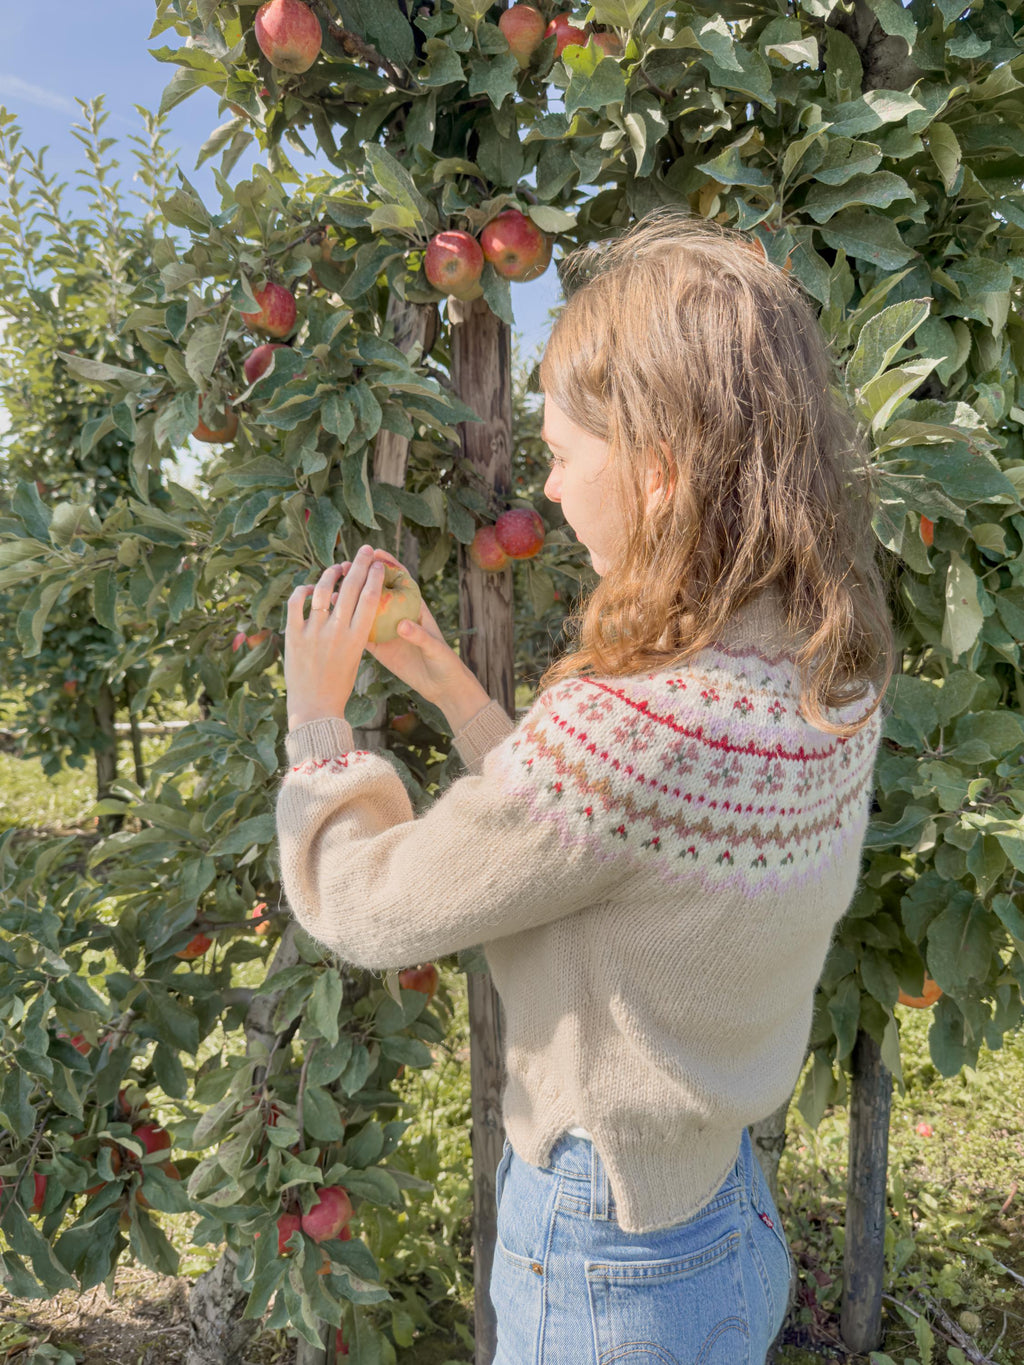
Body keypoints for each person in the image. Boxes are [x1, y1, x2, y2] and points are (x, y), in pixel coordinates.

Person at [275, 205, 895, 1365]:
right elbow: (592, 845)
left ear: (657, 473)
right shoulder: (825, 670)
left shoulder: (632, 726)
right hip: (720, 1211)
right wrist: (454, 685)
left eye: (561, 455)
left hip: (606, 1260)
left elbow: (367, 906)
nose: (549, 490)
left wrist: (321, 722)